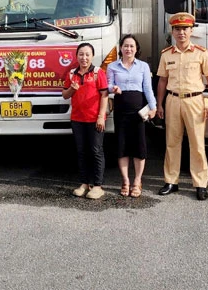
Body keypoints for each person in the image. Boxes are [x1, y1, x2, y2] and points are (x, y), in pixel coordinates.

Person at [156, 12, 208, 201]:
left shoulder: (200, 52)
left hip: (195, 100)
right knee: (172, 142)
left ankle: (200, 184)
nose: (181, 32)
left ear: (191, 31)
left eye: (185, 29)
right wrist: (159, 104)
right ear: (172, 32)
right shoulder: (166, 54)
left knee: (197, 144)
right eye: (177, 29)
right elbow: (162, 81)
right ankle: (171, 181)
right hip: (173, 100)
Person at [107, 34, 156, 198]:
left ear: (136, 49)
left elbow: (148, 89)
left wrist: (153, 107)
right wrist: (112, 88)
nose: (128, 49)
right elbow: (107, 86)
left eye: (131, 46)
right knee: (122, 146)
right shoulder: (113, 66)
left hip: (138, 112)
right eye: (125, 46)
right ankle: (126, 181)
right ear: (120, 48)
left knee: (139, 146)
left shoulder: (143, 66)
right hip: (121, 110)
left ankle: (137, 181)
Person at [63, 43, 109, 200]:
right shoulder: (71, 74)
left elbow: (105, 95)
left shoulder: (98, 73)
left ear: (92, 56)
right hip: (77, 119)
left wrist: (101, 116)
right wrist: (72, 89)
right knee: (81, 152)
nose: (84, 58)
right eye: (81, 54)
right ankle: (84, 183)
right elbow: (65, 95)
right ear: (77, 56)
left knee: (96, 151)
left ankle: (98, 186)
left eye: (87, 54)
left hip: (95, 119)